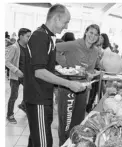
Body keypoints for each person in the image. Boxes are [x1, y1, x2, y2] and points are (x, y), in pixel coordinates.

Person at [23, 4, 85, 147]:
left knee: (35, 140)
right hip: (38, 98)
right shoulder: (39, 36)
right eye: (65, 22)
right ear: (57, 19)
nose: (66, 26)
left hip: (43, 96)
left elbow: (46, 67)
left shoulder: (48, 37)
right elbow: (39, 72)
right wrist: (69, 84)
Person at [56, 24, 100, 146]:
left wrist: (90, 74)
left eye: (96, 34)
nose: (92, 36)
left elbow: (90, 69)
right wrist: (64, 64)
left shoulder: (95, 51)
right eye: (90, 33)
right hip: (68, 88)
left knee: (78, 121)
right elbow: (54, 48)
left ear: (98, 37)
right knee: (66, 121)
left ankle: (74, 144)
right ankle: (62, 144)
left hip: (83, 89)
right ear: (85, 32)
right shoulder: (74, 44)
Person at [5, 28, 31, 124]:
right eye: (28, 36)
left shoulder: (28, 47)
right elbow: (6, 61)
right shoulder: (14, 47)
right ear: (21, 36)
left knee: (29, 92)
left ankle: (23, 106)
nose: (29, 38)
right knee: (14, 96)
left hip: (26, 76)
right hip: (15, 77)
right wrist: (16, 70)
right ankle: (10, 115)